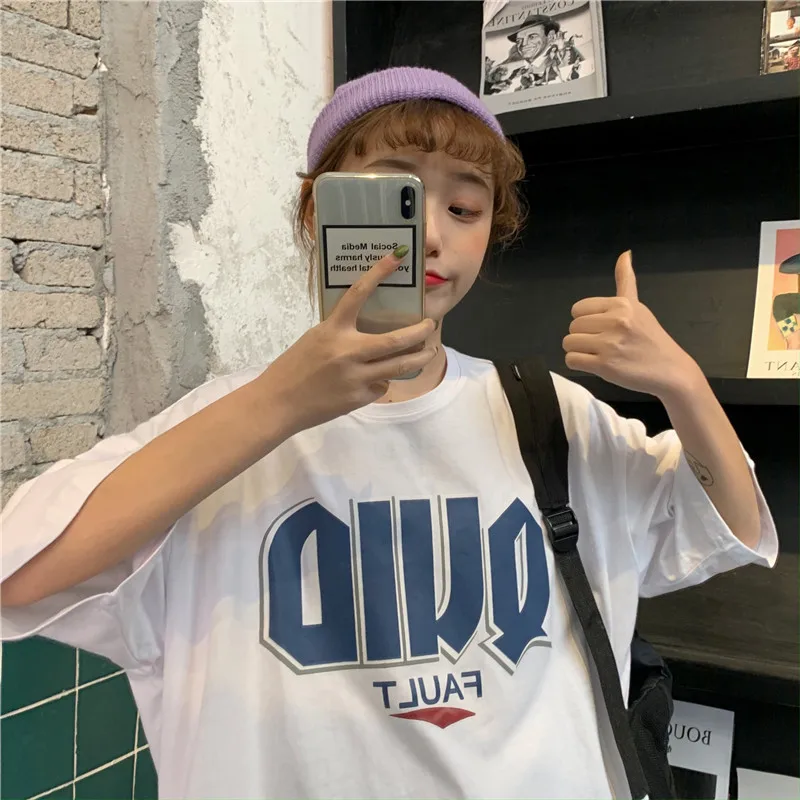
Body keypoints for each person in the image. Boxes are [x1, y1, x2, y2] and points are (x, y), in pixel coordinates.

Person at [1, 66, 778, 799]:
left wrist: (683, 386)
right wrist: (278, 403)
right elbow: (20, 574)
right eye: (394, 197)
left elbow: (733, 528)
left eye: (465, 209)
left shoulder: (544, 412)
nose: (430, 235)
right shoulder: (226, 428)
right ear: (319, 212)